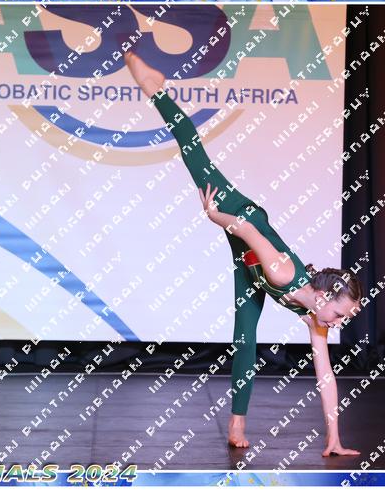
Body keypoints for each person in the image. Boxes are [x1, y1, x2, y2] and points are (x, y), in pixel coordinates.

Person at [124, 51, 363, 457]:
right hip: (242, 218)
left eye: (343, 319)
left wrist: (334, 438)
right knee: (195, 159)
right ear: (324, 296)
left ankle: (236, 424)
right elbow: (248, 230)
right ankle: (156, 89)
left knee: (244, 338)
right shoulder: (283, 272)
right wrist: (216, 215)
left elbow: (325, 376)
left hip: (249, 264)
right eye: (339, 314)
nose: (338, 323)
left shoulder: (315, 319)